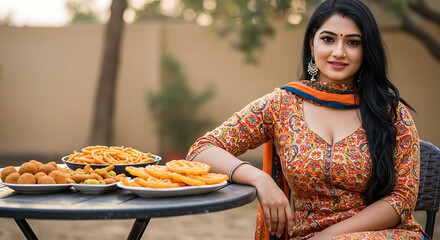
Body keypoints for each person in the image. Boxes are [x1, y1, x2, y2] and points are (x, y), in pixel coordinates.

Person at [186, 0, 427, 239]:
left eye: (353, 42)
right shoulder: (283, 105)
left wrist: (330, 236)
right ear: (312, 43)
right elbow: (202, 150)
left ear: (366, 50)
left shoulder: (390, 113)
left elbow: (402, 199)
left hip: (383, 235)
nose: (339, 52)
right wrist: (260, 178)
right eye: (328, 39)